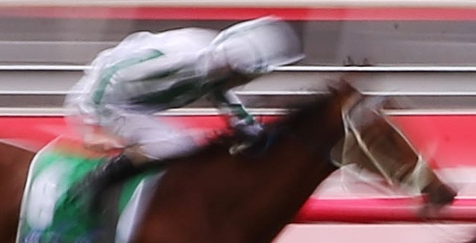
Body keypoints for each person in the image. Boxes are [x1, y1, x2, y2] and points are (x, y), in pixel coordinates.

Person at [67, 16, 303, 206]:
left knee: (190, 145)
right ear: (233, 65)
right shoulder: (185, 58)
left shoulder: (217, 65)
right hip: (103, 101)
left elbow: (224, 97)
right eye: (247, 75)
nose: (245, 81)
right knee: (175, 144)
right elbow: (111, 73)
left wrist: (258, 134)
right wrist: (91, 127)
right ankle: (93, 185)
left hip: (134, 105)